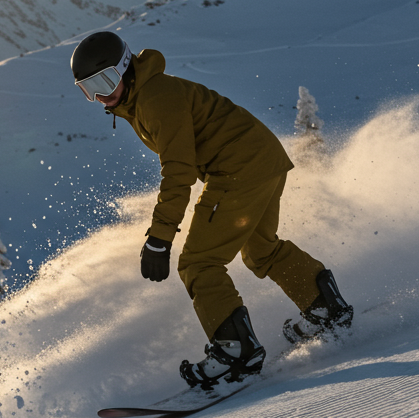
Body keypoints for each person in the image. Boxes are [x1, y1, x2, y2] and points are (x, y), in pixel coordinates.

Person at [70, 30, 353, 389]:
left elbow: (178, 172)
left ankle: (235, 352)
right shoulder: (144, 95)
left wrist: (159, 238)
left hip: (238, 170)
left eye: (105, 81)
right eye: (88, 89)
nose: (99, 96)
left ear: (125, 69)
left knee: (198, 263)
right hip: (263, 159)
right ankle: (324, 306)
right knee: (261, 250)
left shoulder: (155, 98)